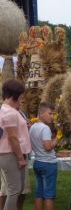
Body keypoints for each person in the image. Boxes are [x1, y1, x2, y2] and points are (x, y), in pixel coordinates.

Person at [0, 79, 31, 210]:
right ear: (15, 95)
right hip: (11, 155)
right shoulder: (10, 113)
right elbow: (12, 137)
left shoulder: (6, 110)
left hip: (8, 154)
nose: (22, 98)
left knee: (13, 189)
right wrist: (20, 158)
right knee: (14, 191)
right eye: (21, 95)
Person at [29, 102, 57, 210]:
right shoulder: (45, 128)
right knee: (49, 194)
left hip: (38, 161)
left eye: (52, 114)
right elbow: (47, 147)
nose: (52, 116)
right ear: (41, 113)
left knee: (39, 192)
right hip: (48, 163)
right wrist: (55, 141)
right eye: (50, 113)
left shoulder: (33, 127)